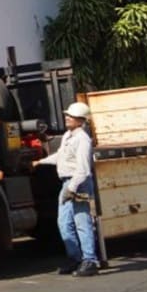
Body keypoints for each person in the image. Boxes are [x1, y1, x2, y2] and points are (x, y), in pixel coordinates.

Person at [33, 102, 99, 277]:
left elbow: (83, 169)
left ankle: (90, 260)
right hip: (67, 183)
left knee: (82, 222)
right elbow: (61, 157)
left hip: (78, 183)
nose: (67, 118)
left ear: (80, 120)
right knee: (63, 223)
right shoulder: (67, 136)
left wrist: (71, 188)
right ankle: (75, 258)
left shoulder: (83, 140)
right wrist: (40, 162)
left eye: (71, 116)